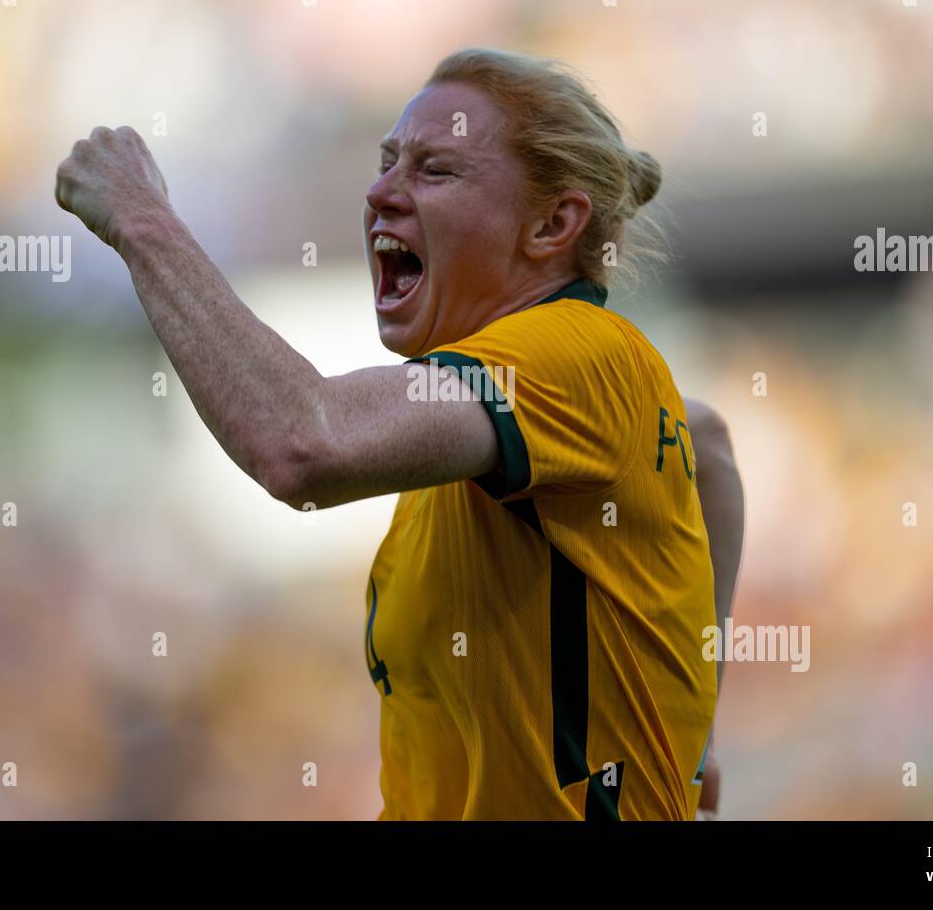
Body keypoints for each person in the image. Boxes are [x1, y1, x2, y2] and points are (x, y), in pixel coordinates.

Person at [56, 46, 744, 820]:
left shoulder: (574, 349)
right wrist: (698, 731)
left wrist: (145, 224)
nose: (382, 192)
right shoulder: (502, 421)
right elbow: (707, 446)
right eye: (387, 164)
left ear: (553, 223)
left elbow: (301, 443)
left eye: (435, 171)